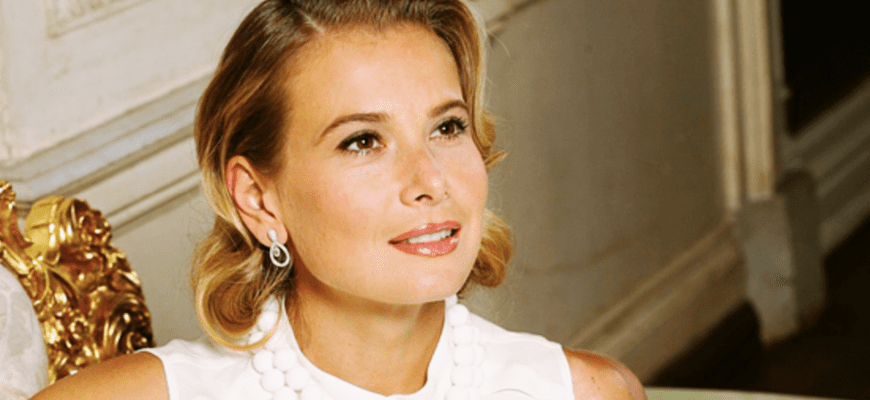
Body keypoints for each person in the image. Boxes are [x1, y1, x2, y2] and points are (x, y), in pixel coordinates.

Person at [33, 0, 646, 399]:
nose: (430, 180)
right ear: (258, 200)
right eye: (362, 141)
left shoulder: (586, 392)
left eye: (447, 127)